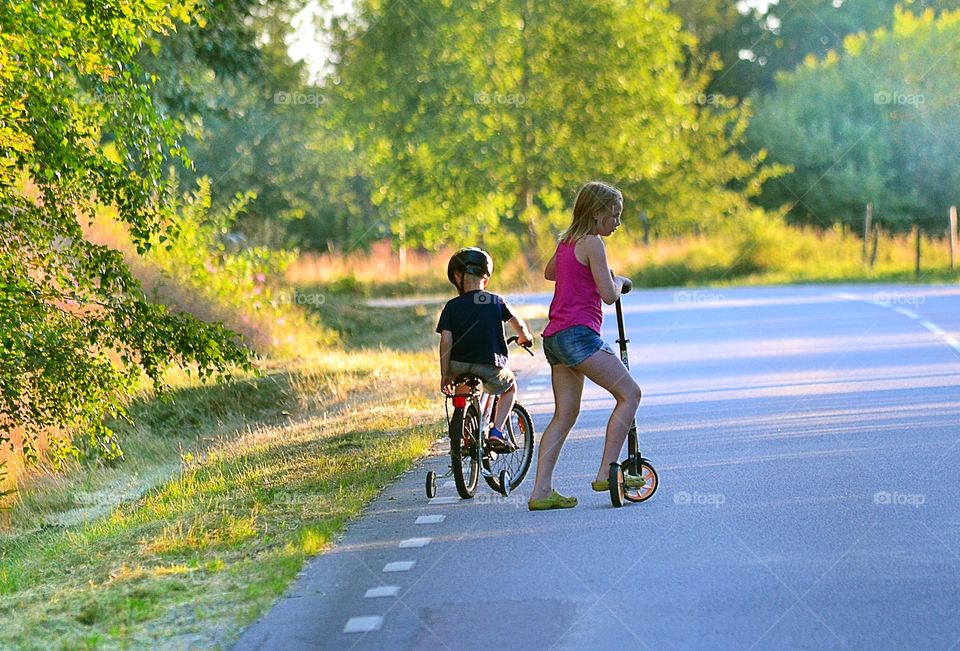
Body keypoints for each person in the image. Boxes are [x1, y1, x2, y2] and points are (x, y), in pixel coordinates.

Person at [527, 181, 643, 511]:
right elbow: (609, 295)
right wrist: (617, 279)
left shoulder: (567, 242)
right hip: (579, 335)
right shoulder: (592, 243)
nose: (618, 223)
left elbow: (551, 272)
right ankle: (608, 471)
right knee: (630, 394)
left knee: (565, 415)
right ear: (597, 214)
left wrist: (587, 273)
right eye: (614, 215)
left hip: (556, 338)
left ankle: (541, 492)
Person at [437, 247, 534, 452]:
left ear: (457, 277)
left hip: (458, 364)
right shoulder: (495, 300)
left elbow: (446, 341)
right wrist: (525, 338)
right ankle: (497, 431)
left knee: (461, 389)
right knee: (510, 388)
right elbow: (518, 324)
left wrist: (445, 374)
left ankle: (464, 434)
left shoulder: (451, 306)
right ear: (486, 279)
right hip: (489, 364)